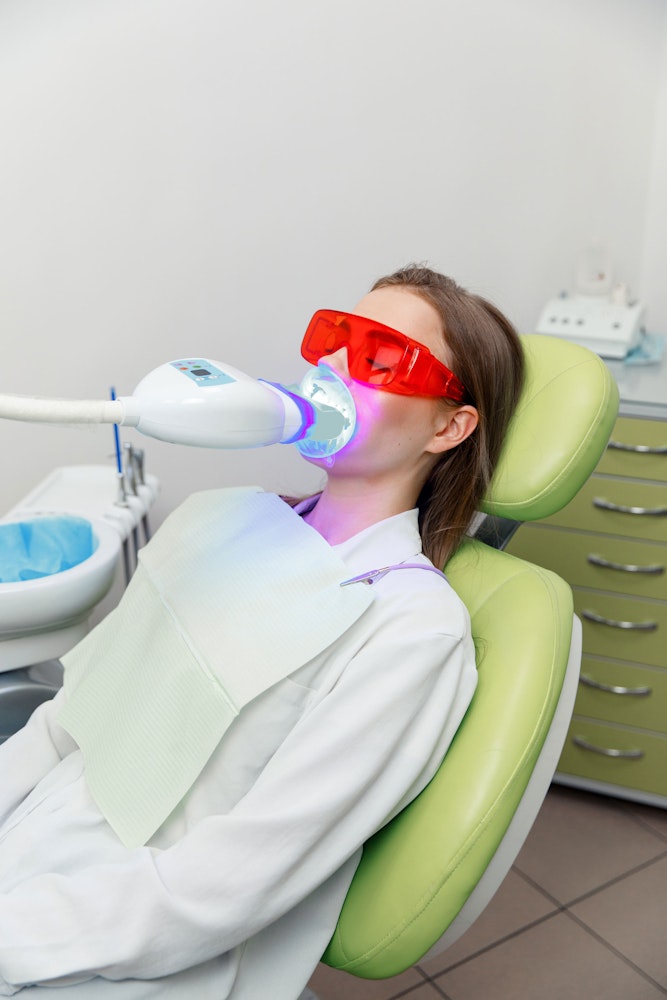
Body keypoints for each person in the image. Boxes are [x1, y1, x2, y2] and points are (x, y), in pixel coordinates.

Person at [0, 265, 524, 998]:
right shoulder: (220, 517)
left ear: (449, 425)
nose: (335, 366)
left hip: (133, 946)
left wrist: (14, 936)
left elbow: (225, 886)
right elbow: (66, 726)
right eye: (334, 338)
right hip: (31, 845)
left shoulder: (411, 630)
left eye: (379, 356)